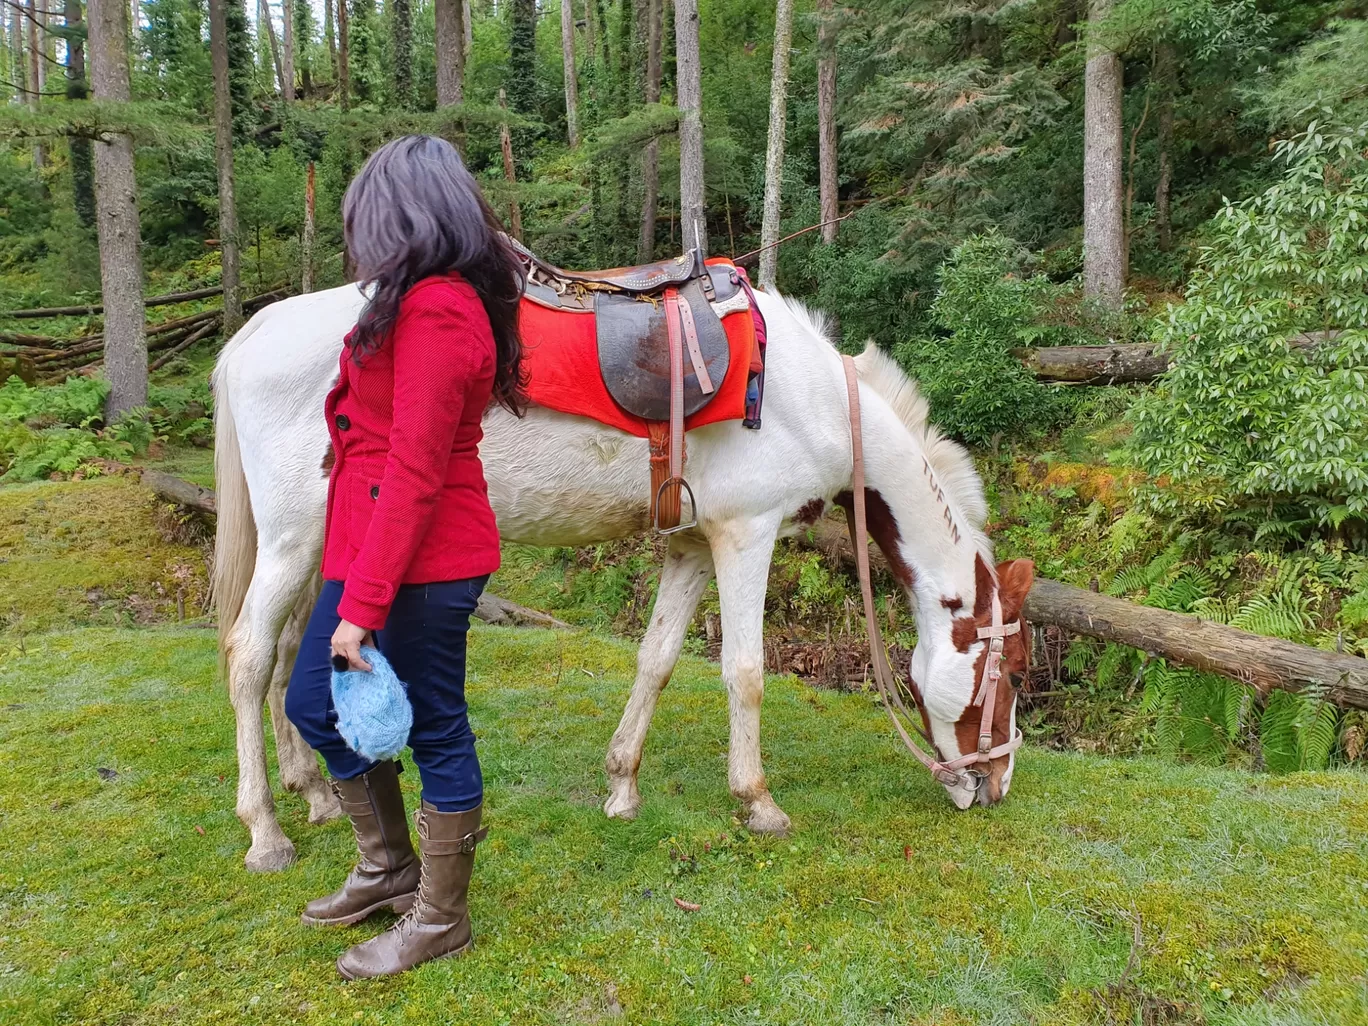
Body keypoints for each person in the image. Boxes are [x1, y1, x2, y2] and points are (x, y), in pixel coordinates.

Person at [284, 134, 526, 980]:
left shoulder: (441, 308)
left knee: (435, 732)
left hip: (425, 559)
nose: (361, 239)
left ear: (408, 214)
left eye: (369, 219)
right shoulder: (410, 297)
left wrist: (362, 609)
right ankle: (389, 866)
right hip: (372, 542)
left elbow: (419, 469)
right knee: (313, 703)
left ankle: (440, 919)